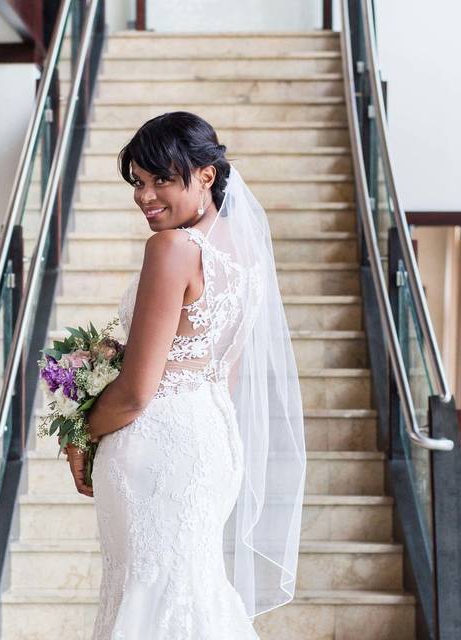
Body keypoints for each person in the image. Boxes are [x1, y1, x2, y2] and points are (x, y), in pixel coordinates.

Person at [64, 112, 306, 639]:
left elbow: (133, 391)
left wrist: (79, 431)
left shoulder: (173, 249)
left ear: (206, 176)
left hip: (156, 445)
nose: (145, 196)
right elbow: (229, 374)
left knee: (149, 591)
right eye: (139, 182)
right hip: (213, 441)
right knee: (190, 587)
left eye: (161, 180)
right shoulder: (246, 259)